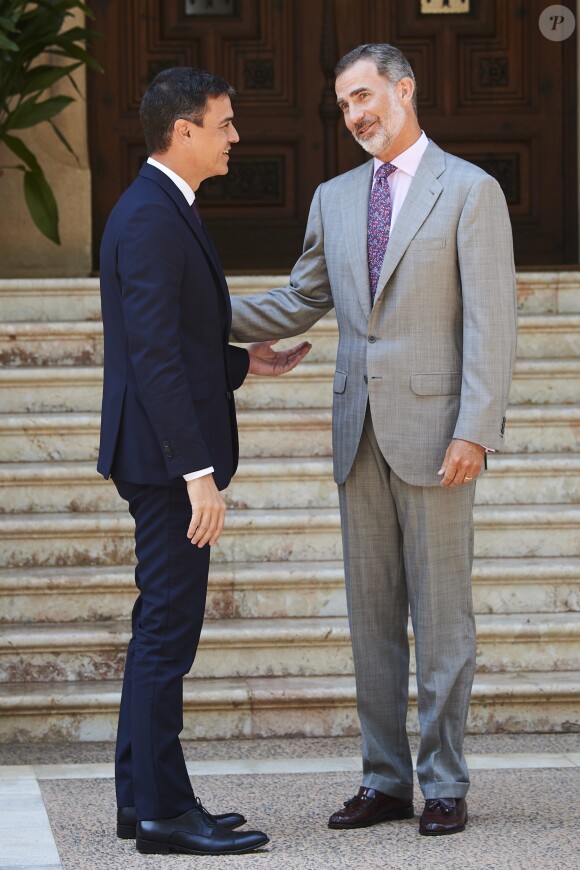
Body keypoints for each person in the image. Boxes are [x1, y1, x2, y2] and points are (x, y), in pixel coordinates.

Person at [230, 43, 517, 836]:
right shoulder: (332, 198)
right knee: (373, 619)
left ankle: (446, 781)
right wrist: (195, 306)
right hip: (357, 433)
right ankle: (386, 781)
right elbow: (298, 300)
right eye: (344, 104)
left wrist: (477, 429)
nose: (356, 114)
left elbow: (493, 323)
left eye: (364, 96)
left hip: (437, 438)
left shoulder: (470, 191)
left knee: (445, 620)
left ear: (404, 89)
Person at [97, 66, 310, 857]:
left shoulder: (161, 207)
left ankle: (149, 802)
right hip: (163, 465)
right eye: (223, 123)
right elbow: (151, 356)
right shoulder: (152, 217)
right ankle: (160, 816)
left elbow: (179, 345)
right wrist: (197, 475)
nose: (235, 137)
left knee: (159, 629)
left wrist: (244, 364)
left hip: (159, 455)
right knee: (167, 637)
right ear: (182, 132)